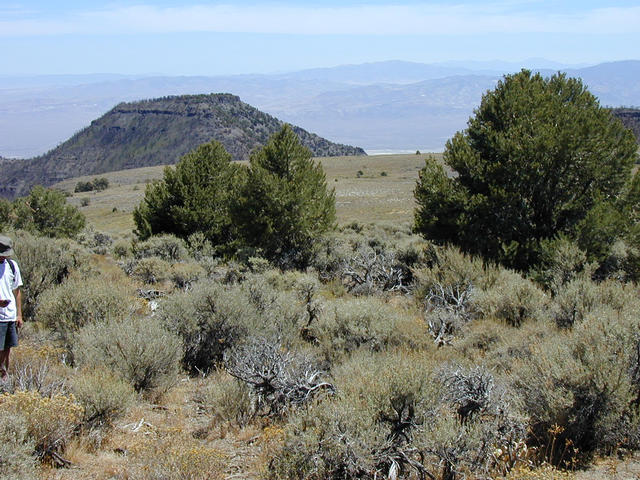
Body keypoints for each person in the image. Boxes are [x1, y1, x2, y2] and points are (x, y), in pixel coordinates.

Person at [0, 235, 23, 381]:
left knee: (7, 347)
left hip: (10, 315)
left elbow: (17, 291)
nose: (3, 257)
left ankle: (4, 375)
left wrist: (19, 314)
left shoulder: (12, 265)